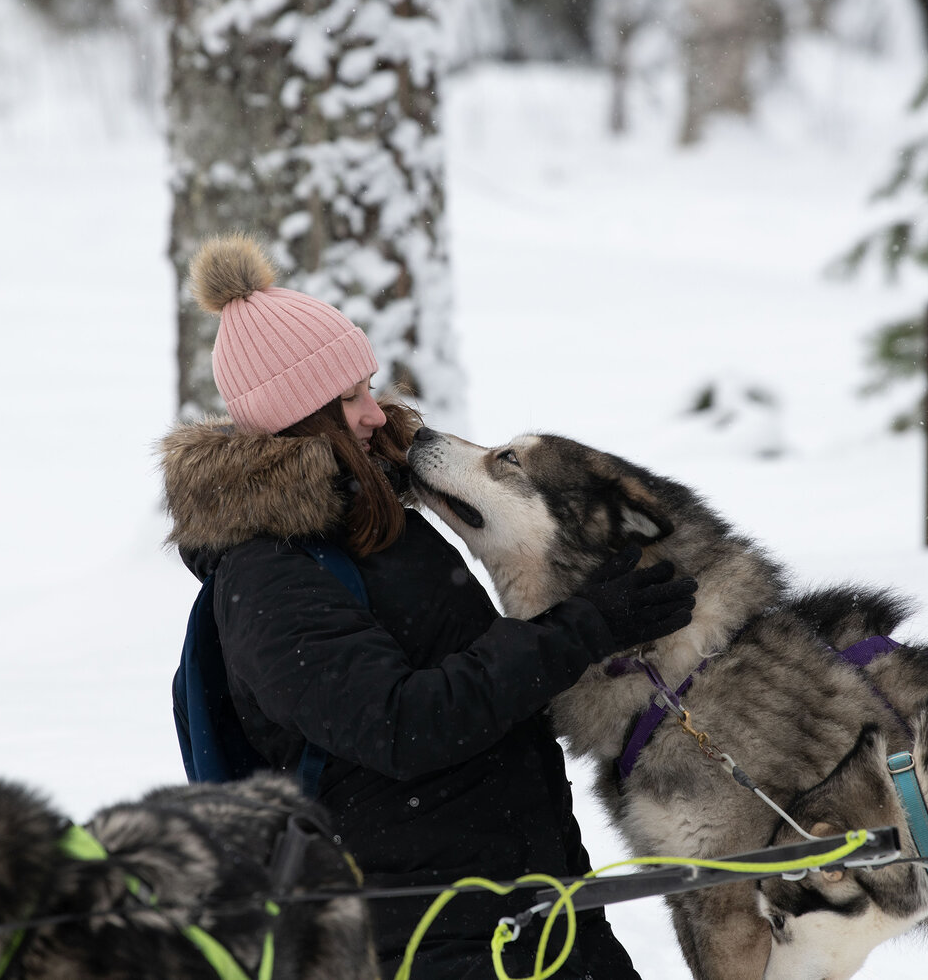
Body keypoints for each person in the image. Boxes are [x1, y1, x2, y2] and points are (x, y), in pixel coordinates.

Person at [159, 234, 697, 980]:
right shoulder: (268, 579)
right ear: (300, 419)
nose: (375, 414)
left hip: (535, 912)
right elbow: (403, 724)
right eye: (348, 398)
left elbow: (485, 683)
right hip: (422, 936)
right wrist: (587, 627)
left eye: (368, 387)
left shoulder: (378, 521)